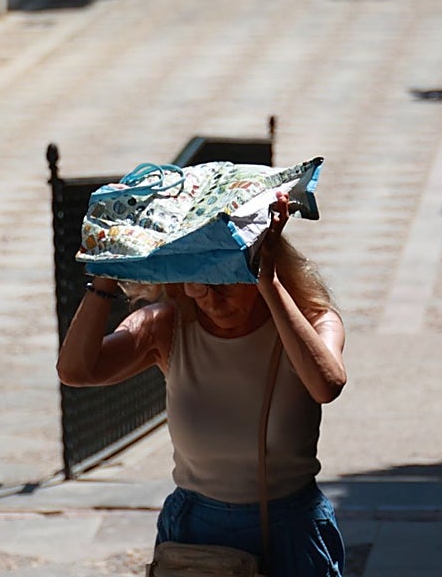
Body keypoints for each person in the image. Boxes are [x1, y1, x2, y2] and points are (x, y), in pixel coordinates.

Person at [57, 190, 348, 575]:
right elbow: (76, 371)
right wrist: (105, 276)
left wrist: (270, 282)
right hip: (196, 529)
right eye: (196, 283)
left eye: (226, 281)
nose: (211, 299)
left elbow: (326, 385)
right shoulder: (168, 324)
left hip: (288, 525)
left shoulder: (310, 321)